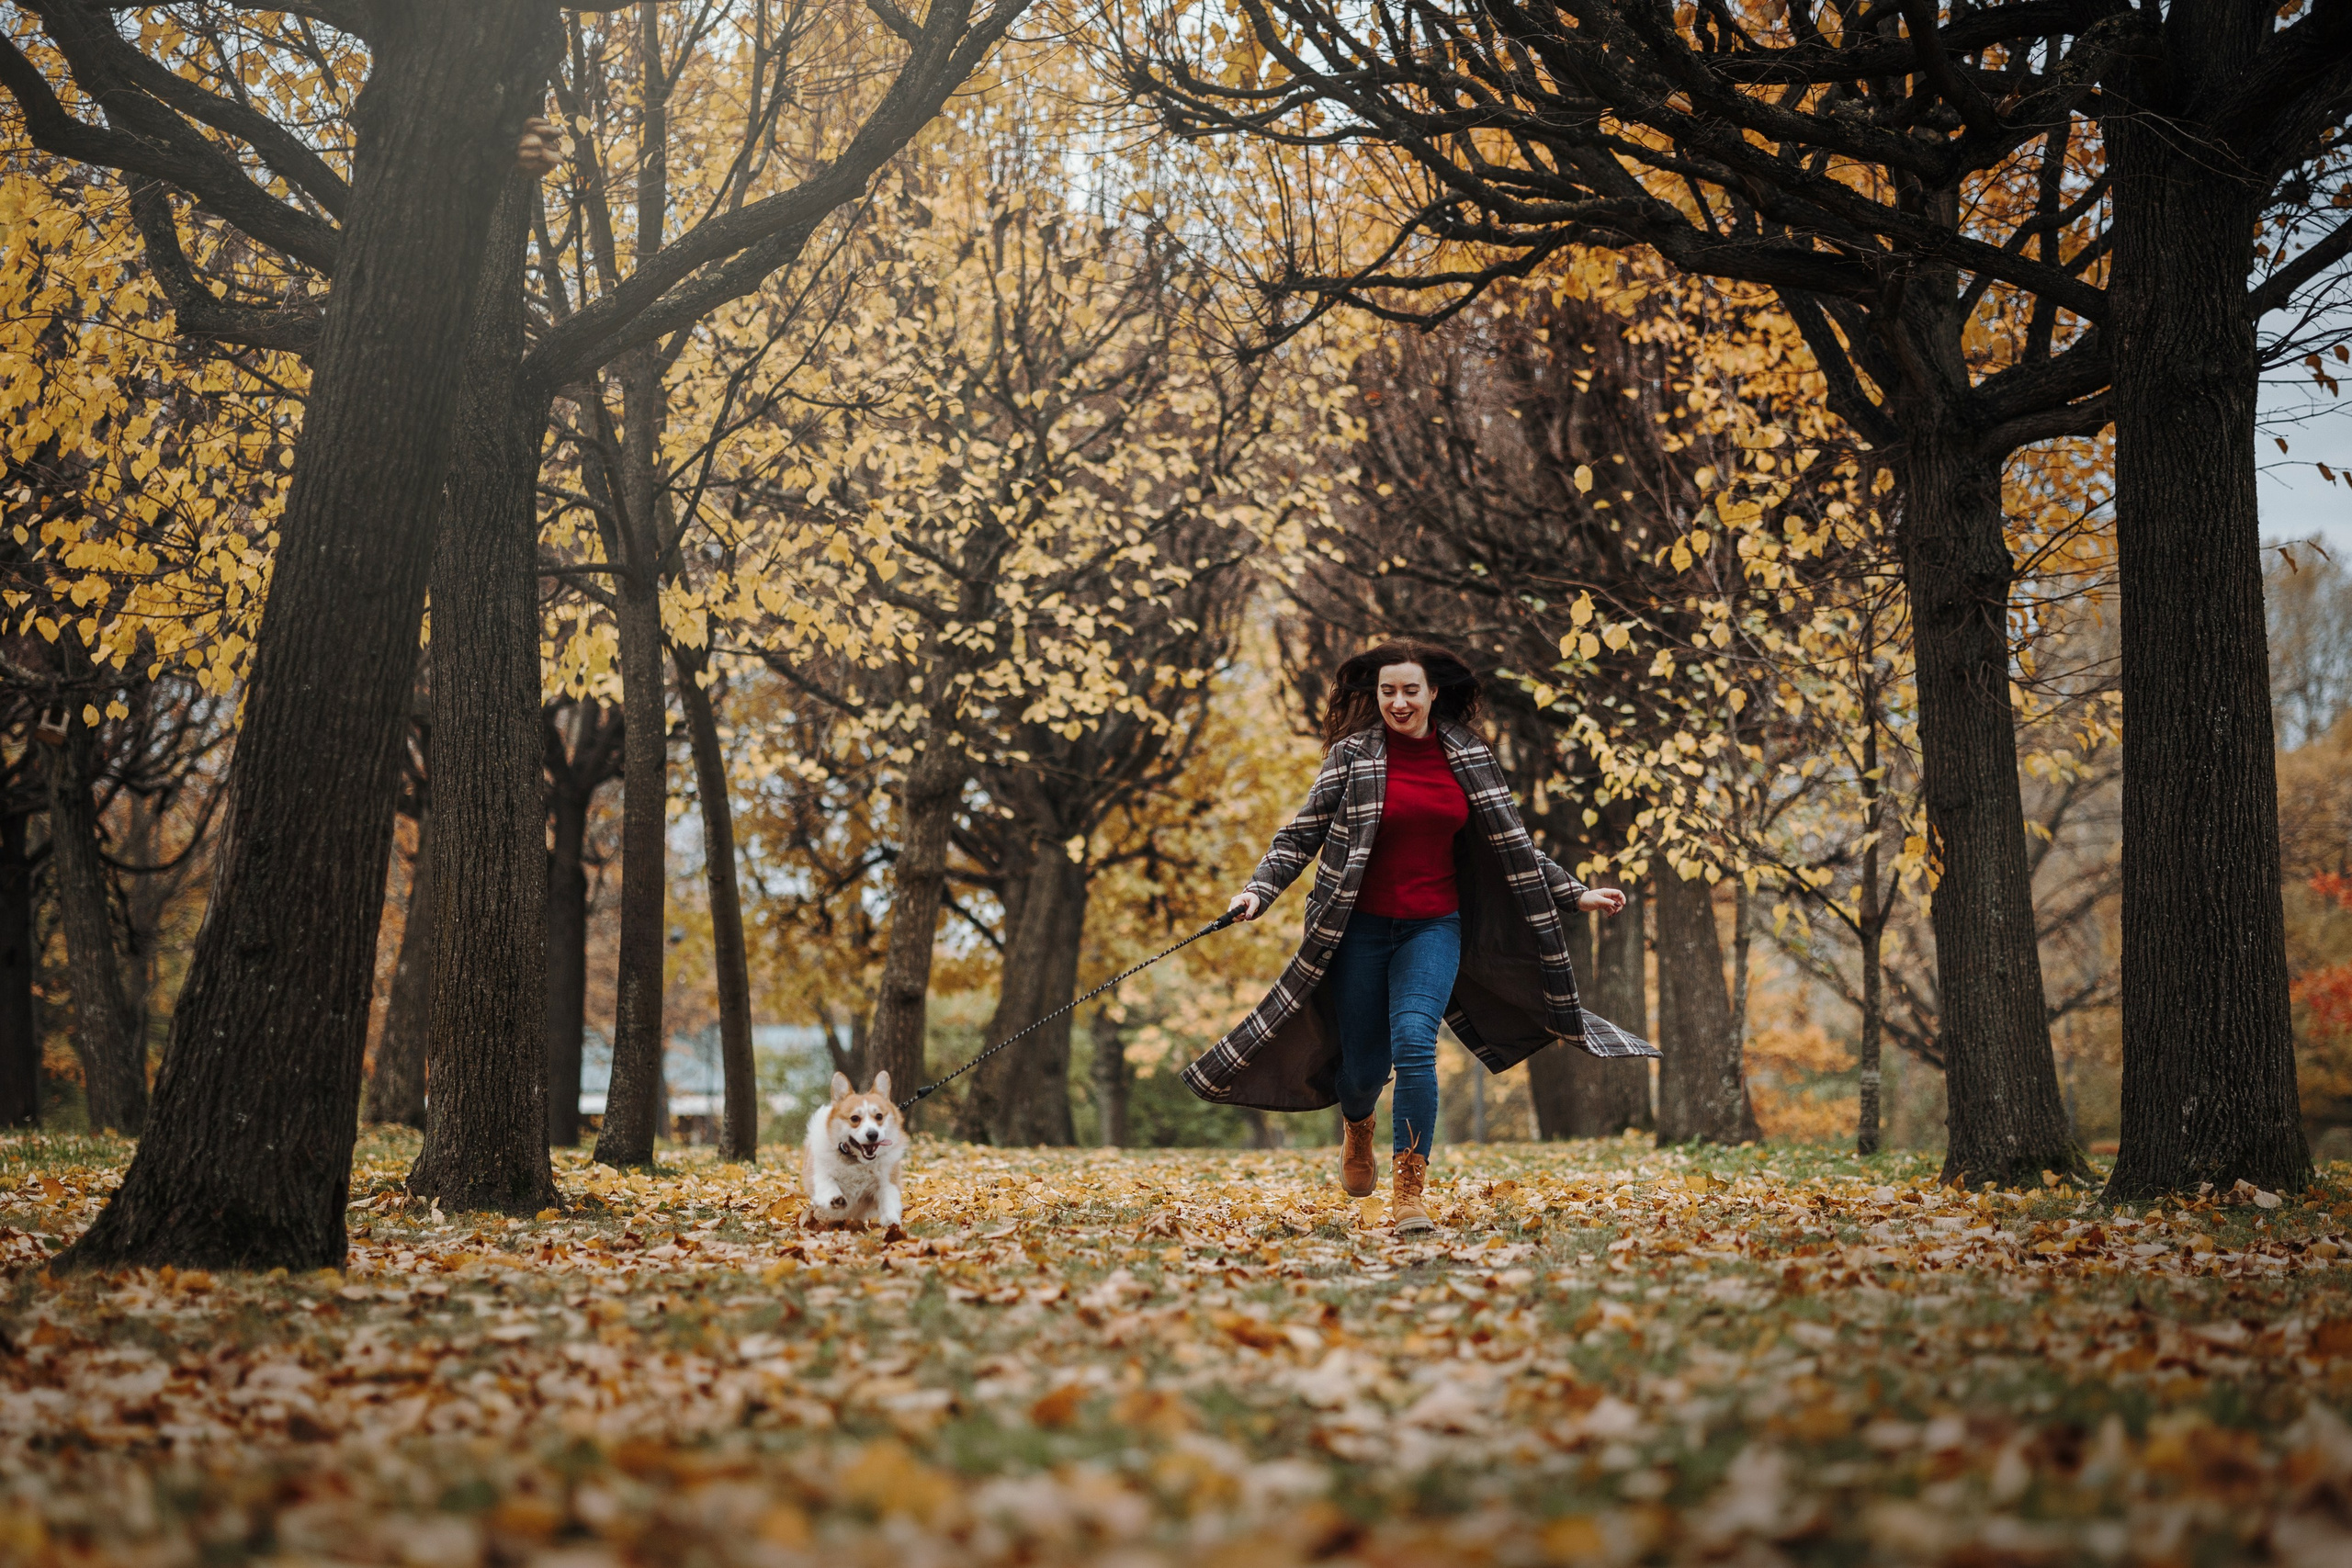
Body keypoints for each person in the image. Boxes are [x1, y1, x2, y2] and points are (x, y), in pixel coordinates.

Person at [1182, 638, 1657, 1234]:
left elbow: (1513, 843)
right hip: (1356, 930)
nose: (1399, 701)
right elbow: (1299, 835)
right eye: (1387, 691)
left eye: (1411, 690)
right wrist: (1258, 889)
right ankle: (1358, 1126)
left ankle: (1410, 1189)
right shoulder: (1352, 756)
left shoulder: (1468, 756)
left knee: (1414, 1044)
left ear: (1435, 692)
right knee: (1361, 1069)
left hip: (1434, 926)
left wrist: (1575, 892)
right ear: (1374, 694)